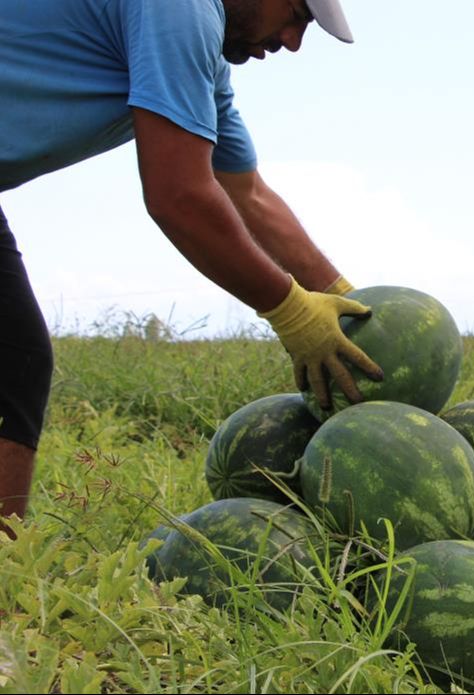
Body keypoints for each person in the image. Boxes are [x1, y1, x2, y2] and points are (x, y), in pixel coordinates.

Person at [0, 0, 382, 531]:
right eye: (297, 14)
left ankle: (7, 568)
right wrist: (292, 310)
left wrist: (351, 302)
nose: (293, 41)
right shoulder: (181, 8)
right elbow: (179, 196)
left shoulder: (202, 61)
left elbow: (250, 195)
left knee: (14, 362)